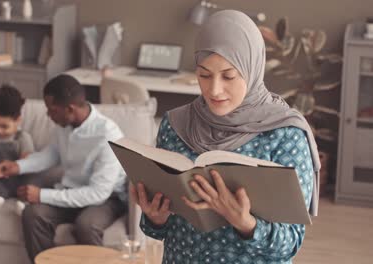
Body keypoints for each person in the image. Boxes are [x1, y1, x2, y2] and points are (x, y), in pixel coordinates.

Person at [131, 10, 320, 264]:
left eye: (229, 76)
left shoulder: (285, 134)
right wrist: (155, 217)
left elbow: (290, 244)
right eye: (204, 75)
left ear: (252, 68)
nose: (214, 89)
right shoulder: (175, 125)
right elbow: (160, 230)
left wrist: (245, 223)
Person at [0, 74, 127, 261]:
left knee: (86, 225)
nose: (49, 116)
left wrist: (42, 194)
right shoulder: (65, 124)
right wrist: (17, 166)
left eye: (52, 110)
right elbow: (52, 154)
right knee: (33, 214)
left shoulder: (108, 136)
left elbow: (99, 193)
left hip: (106, 199)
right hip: (72, 189)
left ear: (70, 109)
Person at [0, 85, 35, 218]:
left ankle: (24, 207)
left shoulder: (23, 138)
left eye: (4, 126)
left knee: (29, 187)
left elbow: (27, 164)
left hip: (19, 180)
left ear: (18, 120)